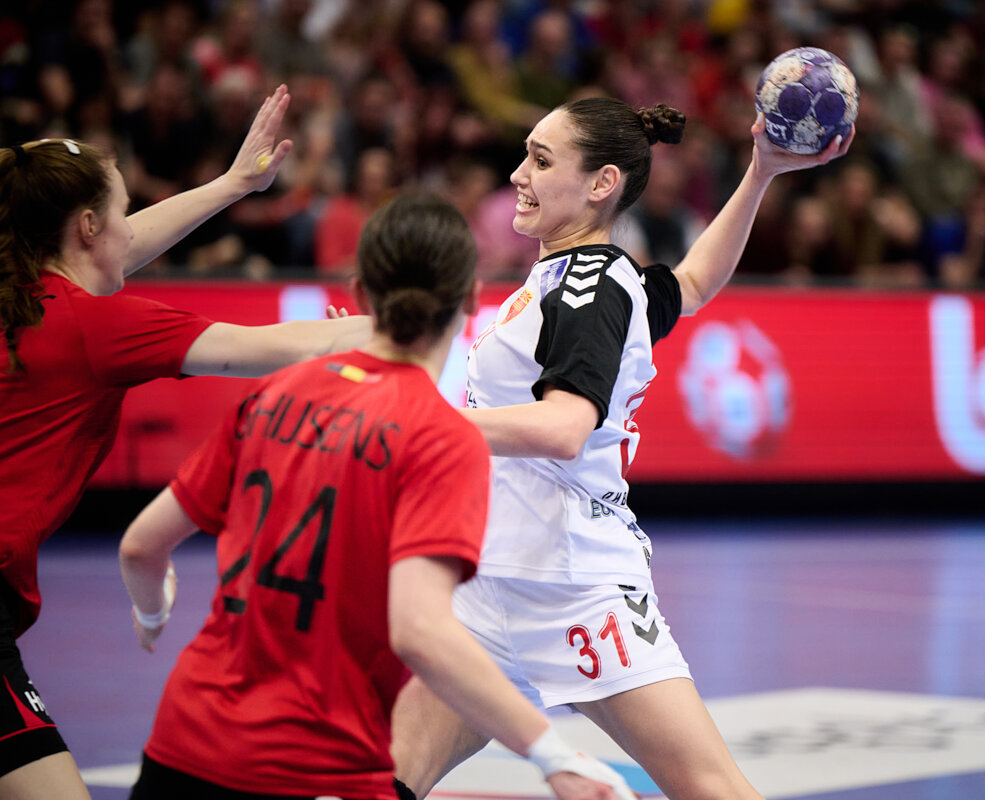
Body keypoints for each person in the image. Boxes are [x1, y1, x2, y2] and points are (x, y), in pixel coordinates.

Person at [387, 98, 852, 800]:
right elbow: (690, 284)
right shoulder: (572, 276)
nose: (517, 174)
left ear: (601, 183)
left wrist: (420, 422)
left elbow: (563, 428)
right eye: (525, 154)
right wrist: (759, 172)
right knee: (389, 777)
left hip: (572, 586)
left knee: (711, 789)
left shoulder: (591, 286)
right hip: (489, 582)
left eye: (541, 161)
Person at [118, 192, 635, 800]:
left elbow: (140, 547)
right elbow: (419, 629)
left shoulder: (274, 395)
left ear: (361, 295)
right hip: (314, 757)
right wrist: (552, 755)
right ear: (472, 299)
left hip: (187, 737)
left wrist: (151, 613)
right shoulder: (442, 439)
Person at [0, 84, 370, 798]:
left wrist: (233, 185)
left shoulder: (20, 285)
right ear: (86, 227)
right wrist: (419, 316)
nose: (131, 229)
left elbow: (118, 247)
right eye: (121, 212)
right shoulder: (93, 327)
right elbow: (278, 347)